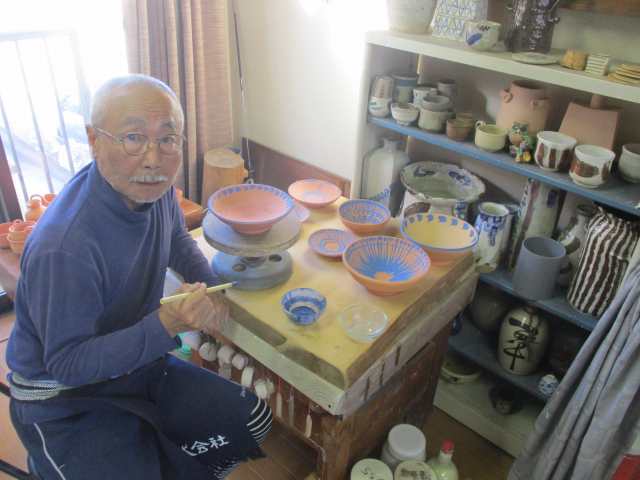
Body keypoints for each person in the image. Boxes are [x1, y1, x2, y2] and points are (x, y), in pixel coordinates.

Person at [6, 74, 271, 479]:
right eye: (133, 138)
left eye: (167, 139)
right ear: (94, 140)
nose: (153, 158)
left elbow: (176, 238)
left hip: (134, 364)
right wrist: (166, 324)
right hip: (62, 398)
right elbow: (68, 365)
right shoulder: (64, 247)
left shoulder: (154, 187)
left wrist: (211, 289)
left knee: (251, 421)